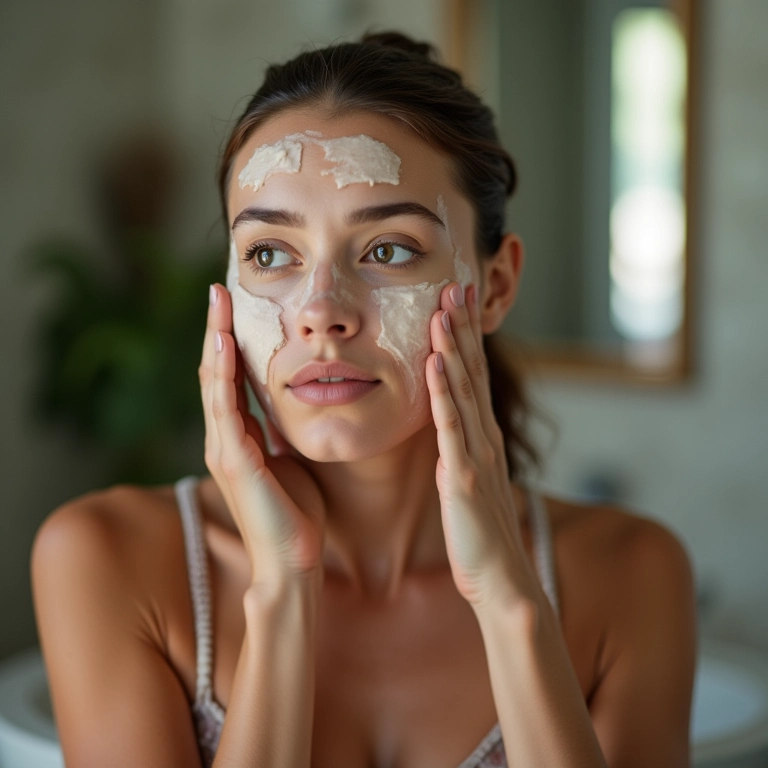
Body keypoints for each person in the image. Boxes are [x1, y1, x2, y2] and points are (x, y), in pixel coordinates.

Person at [30, 31, 697, 768]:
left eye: (388, 249)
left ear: (496, 286)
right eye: (270, 254)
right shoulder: (106, 558)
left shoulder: (634, 575)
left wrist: (513, 608)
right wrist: (283, 589)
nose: (320, 310)